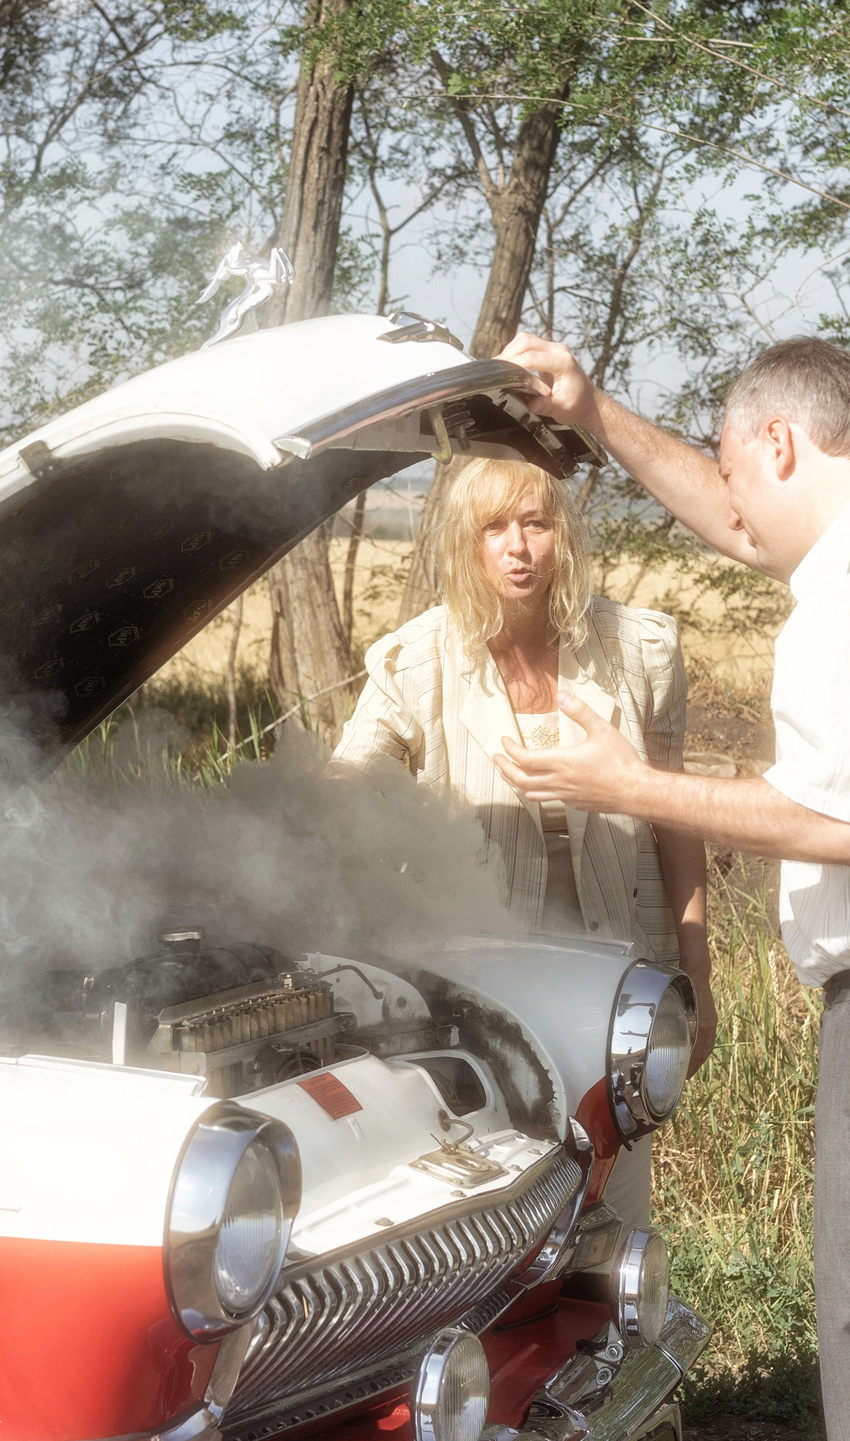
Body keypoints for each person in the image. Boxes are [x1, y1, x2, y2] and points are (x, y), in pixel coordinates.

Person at [493, 333, 850, 1441]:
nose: (732, 502)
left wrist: (632, 783)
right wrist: (592, 410)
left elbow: (841, 823)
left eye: (736, 464)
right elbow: (740, 521)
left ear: (780, 441)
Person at [332, 454, 713, 1235]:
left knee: (614, 1222)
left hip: (618, 989)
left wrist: (697, 975)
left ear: (562, 534)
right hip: (476, 999)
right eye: (494, 527)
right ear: (464, 545)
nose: (518, 547)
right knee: (499, 1227)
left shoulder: (638, 651)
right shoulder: (419, 660)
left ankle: (621, 1351)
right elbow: (344, 781)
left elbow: (677, 816)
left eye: (536, 523)